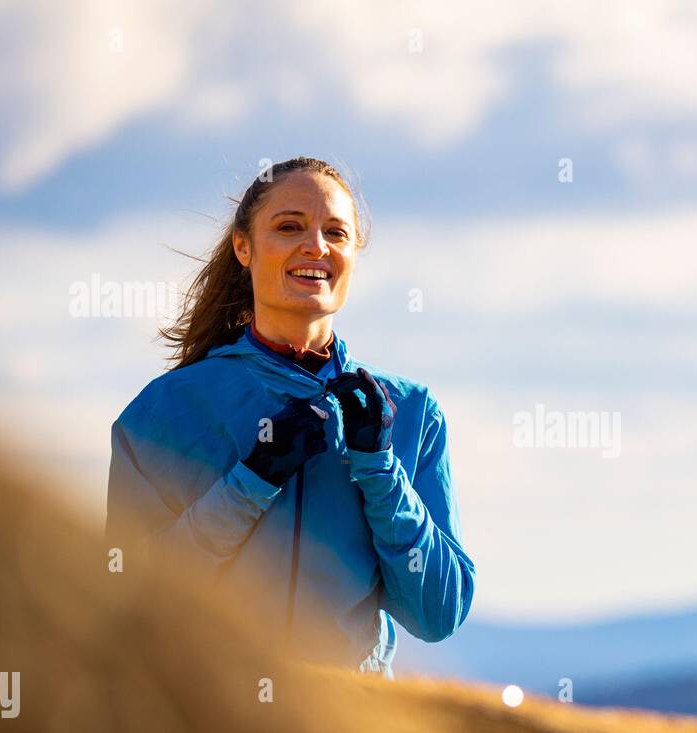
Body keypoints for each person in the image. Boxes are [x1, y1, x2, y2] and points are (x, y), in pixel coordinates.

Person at [105, 157, 475, 678]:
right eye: (289, 227)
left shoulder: (411, 412)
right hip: (208, 725)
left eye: (336, 233)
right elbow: (127, 600)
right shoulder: (163, 412)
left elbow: (439, 613)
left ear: (352, 254)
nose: (316, 247)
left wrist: (380, 468)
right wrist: (250, 482)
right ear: (243, 248)